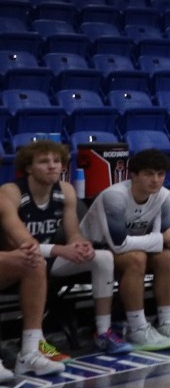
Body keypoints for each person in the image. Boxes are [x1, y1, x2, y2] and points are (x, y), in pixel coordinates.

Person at [0, 140, 126, 362]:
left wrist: (79, 245)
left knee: (103, 257)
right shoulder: (11, 192)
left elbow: (73, 232)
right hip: (13, 262)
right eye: (44, 161)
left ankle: (103, 331)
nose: (52, 166)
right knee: (35, 260)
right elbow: (22, 241)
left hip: (45, 258)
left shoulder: (66, 190)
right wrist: (60, 250)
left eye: (56, 161)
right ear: (28, 167)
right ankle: (34, 345)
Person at [79, 149, 170, 351]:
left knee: (165, 257)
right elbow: (118, 244)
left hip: (127, 249)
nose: (156, 180)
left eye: (160, 174)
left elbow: (168, 242)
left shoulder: (165, 196)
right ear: (133, 175)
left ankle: (167, 323)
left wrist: (161, 240)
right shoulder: (114, 196)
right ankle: (137, 328)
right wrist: (160, 239)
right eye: (149, 174)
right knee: (137, 258)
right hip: (92, 252)